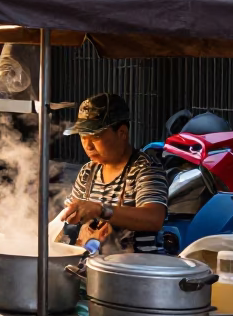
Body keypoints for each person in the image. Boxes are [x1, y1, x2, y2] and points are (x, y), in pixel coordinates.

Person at [60, 93, 167, 254]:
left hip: (135, 270)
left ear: (122, 133)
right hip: (95, 266)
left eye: (95, 136)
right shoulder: (88, 171)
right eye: (83, 136)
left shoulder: (146, 168)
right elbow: (73, 218)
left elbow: (154, 218)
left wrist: (101, 210)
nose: (87, 145)